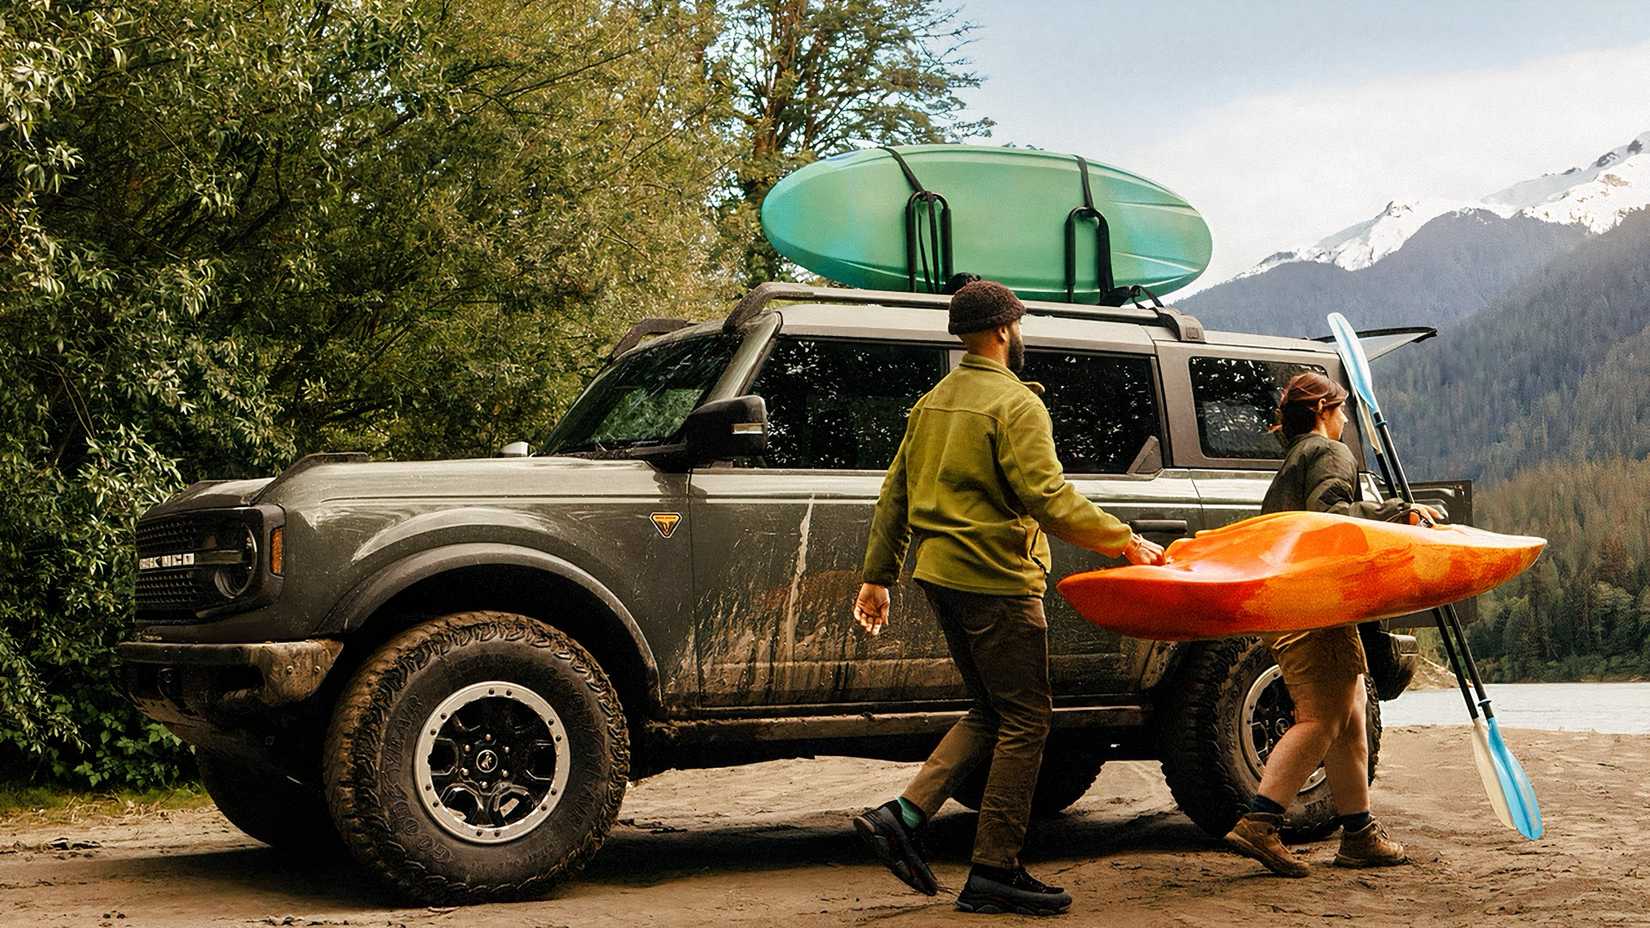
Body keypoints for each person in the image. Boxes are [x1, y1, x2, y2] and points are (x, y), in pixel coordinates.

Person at [849, 279, 1165, 916]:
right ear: (1003, 331)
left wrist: (878, 576)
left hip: (941, 577)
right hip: (997, 580)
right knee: (1027, 719)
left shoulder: (933, 402)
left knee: (995, 708)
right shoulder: (1016, 404)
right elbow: (1048, 497)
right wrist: (1126, 542)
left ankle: (904, 816)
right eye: (1018, 325)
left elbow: (895, 497)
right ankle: (995, 868)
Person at [1223, 371, 1441, 877]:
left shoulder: (1294, 458)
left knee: (1351, 713)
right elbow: (1331, 515)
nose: (1344, 419)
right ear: (1324, 410)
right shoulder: (1328, 453)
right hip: (1314, 604)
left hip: (1292, 603)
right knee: (1322, 717)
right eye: (1340, 410)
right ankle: (1261, 821)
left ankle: (1359, 832)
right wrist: (1399, 512)